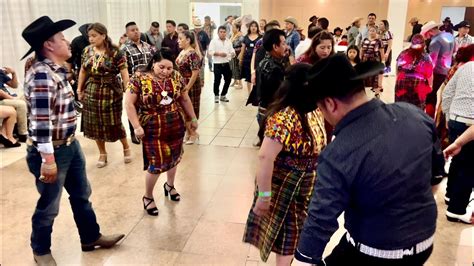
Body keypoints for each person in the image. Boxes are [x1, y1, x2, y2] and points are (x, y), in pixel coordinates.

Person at [293, 54, 444, 266]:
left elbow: (321, 219)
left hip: (376, 253)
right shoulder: (415, 114)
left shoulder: (339, 152)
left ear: (329, 103)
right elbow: (436, 177)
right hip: (425, 243)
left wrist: (303, 260)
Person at [22, 16, 125, 265]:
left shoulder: (55, 70)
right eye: (61, 38)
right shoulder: (41, 77)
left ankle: (90, 237)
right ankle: (41, 249)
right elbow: (40, 124)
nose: (68, 41)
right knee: (49, 205)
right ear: (48, 44)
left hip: (69, 144)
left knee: (81, 195)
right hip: (51, 152)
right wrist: (47, 160)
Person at [243, 63, 327, 265]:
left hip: (307, 184)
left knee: (295, 236)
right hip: (288, 188)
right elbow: (265, 157)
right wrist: (263, 196)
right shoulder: (284, 117)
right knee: (290, 238)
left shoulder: (311, 110)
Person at [125, 49, 198, 216]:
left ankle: (170, 185)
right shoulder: (139, 78)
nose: (166, 71)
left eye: (169, 68)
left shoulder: (177, 77)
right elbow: (129, 104)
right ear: (153, 63)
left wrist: (193, 119)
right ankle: (148, 196)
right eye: (161, 67)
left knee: (174, 156)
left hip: (174, 122)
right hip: (151, 125)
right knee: (156, 163)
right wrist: (136, 126)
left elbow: (184, 99)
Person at [77, 23, 131, 168]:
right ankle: (102, 153)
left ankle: (126, 147)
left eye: (94, 36)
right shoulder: (87, 51)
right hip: (92, 90)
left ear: (103, 35)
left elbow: (124, 73)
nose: (91, 39)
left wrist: (129, 92)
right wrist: (79, 89)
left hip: (111, 91)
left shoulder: (115, 52)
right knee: (95, 124)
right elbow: (83, 71)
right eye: (89, 36)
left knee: (114, 122)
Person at [441, 60, 474, 224]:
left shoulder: (466, 66)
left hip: (455, 118)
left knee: (458, 159)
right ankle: (457, 209)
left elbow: (447, 92)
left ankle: (449, 194)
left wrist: (448, 115)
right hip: (471, 124)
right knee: (468, 167)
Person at [122, 21, 154, 144]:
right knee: (133, 107)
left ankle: (146, 129)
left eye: (137, 29)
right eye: (132, 30)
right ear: (127, 33)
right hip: (134, 83)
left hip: (149, 82)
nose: (136, 32)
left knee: (147, 106)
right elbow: (124, 70)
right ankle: (134, 132)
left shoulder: (148, 46)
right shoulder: (124, 49)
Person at [421, 21, 455, 117]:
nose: (426, 36)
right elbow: (454, 52)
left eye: (426, 34)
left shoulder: (435, 41)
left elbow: (432, 62)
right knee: (433, 94)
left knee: (430, 95)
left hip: (436, 71)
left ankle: (428, 117)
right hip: (446, 70)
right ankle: (430, 117)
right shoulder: (449, 36)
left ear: (431, 31)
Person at [255, 29, 288, 128]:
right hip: (271, 114)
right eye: (283, 44)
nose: (286, 47)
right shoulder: (273, 68)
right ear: (275, 46)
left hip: (264, 111)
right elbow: (278, 95)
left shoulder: (265, 62)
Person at [176, 31, 202, 145]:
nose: (178, 41)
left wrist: (187, 87)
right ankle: (188, 132)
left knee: (190, 109)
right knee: (182, 109)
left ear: (188, 40)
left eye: (180, 39)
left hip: (190, 84)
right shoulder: (183, 52)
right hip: (182, 83)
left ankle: (193, 133)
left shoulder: (192, 54)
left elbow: (195, 72)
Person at [394, 34, 433, 110]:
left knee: (400, 107)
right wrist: (430, 85)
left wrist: (398, 79)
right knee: (417, 109)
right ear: (424, 44)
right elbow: (429, 74)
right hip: (419, 84)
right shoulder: (426, 57)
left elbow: (397, 68)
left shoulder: (403, 53)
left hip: (402, 82)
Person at [0, 66, 28, 142]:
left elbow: (14, 85)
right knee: (21, 104)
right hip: (2, 99)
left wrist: (13, 73)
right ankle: (22, 134)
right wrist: (12, 98)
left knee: (27, 97)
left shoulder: (0, 72)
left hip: (9, 96)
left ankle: (20, 127)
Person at [208, 26, 235, 103]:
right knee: (217, 80)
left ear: (226, 33)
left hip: (226, 63)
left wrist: (233, 53)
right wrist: (219, 54)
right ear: (218, 32)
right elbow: (210, 52)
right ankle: (216, 95)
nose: (223, 33)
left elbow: (232, 50)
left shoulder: (228, 41)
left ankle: (223, 95)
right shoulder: (214, 41)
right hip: (217, 64)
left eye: (224, 32)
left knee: (228, 80)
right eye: (221, 32)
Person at [67, 23, 91, 98]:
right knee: (82, 94)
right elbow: (70, 59)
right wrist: (69, 72)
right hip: (82, 71)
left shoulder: (103, 40)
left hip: (100, 72)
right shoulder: (77, 41)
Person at [360, 25, 384, 97]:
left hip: (375, 61)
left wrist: (383, 61)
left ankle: (377, 94)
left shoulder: (379, 41)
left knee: (375, 77)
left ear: (376, 32)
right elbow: (361, 50)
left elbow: (381, 52)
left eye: (373, 31)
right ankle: (362, 95)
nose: (372, 32)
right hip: (365, 60)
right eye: (370, 31)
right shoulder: (364, 40)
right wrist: (360, 59)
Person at [239, 21, 262, 94]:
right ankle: (249, 92)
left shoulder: (261, 37)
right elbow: (243, 49)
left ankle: (257, 92)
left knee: (257, 75)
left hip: (258, 58)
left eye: (255, 26)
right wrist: (241, 59)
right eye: (252, 26)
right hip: (247, 59)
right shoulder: (245, 37)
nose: (253, 27)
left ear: (257, 28)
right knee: (248, 76)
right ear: (249, 27)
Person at [230, 21, 244, 89]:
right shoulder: (233, 35)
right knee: (234, 67)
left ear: (238, 28)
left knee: (238, 67)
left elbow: (242, 46)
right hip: (233, 52)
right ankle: (235, 81)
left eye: (233, 27)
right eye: (232, 27)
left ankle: (240, 83)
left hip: (238, 52)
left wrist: (240, 54)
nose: (232, 29)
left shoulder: (240, 36)